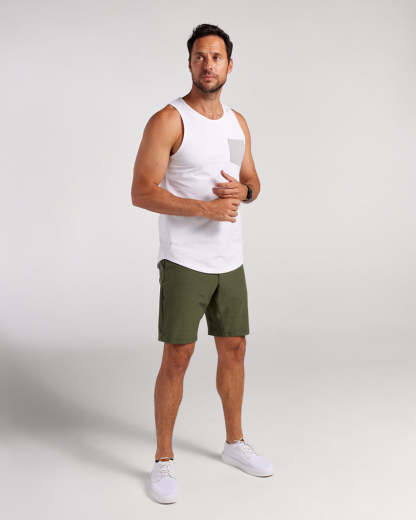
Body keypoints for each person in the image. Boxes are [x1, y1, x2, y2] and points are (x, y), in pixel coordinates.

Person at [131, 23, 274, 504]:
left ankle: (234, 443)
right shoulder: (169, 120)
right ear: (190, 63)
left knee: (234, 348)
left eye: (216, 57)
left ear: (230, 65)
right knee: (178, 356)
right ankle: (163, 460)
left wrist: (243, 191)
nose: (207, 64)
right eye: (199, 56)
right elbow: (141, 191)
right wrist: (203, 209)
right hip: (184, 260)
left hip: (229, 259)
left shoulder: (237, 122)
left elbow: (252, 181)